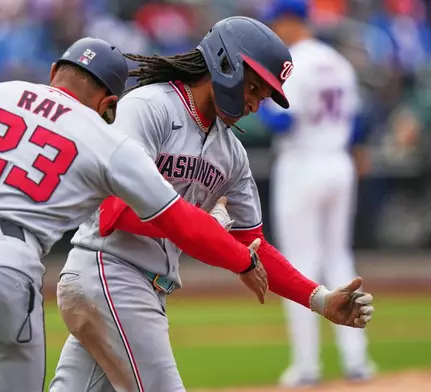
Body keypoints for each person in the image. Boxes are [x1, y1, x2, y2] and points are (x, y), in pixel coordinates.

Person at [0, 37, 267, 392]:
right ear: (109, 105)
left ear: (54, 71)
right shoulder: (103, 137)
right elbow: (177, 218)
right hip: (8, 265)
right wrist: (240, 258)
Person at [49, 17, 375, 392]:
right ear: (224, 62)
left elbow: (253, 247)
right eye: (254, 87)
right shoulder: (149, 105)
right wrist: (212, 233)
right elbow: (115, 213)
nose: (255, 103)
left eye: (264, 96)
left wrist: (320, 299)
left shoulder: (231, 153)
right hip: (110, 273)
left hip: (133, 286)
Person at [258, 0, 377, 386]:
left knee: (300, 265)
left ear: (291, 21)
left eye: (277, 23)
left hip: (303, 163)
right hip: (337, 160)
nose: (275, 30)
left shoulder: (296, 63)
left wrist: (256, 98)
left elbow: (281, 121)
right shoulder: (337, 61)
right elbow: (359, 123)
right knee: (339, 259)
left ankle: (307, 365)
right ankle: (357, 359)